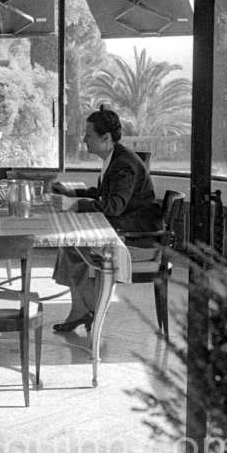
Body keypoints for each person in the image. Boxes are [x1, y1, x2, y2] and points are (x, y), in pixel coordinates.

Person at [51, 105, 164, 333]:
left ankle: (90, 311)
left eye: (89, 135)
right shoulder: (115, 158)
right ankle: (84, 311)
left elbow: (114, 205)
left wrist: (75, 204)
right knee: (71, 244)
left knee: (74, 245)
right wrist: (74, 194)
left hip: (137, 242)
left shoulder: (124, 164)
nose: (84, 139)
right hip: (126, 233)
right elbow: (106, 195)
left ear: (106, 138)